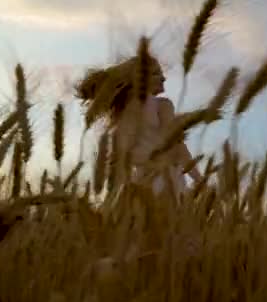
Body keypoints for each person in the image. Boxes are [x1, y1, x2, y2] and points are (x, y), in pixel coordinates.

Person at [75, 54, 202, 198]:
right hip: (165, 179)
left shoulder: (122, 114)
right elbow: (176, 146)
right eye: (155, 73)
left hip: (139, 183)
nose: (163, 78)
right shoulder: (162, 105)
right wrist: (199, 179)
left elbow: (123, 155)